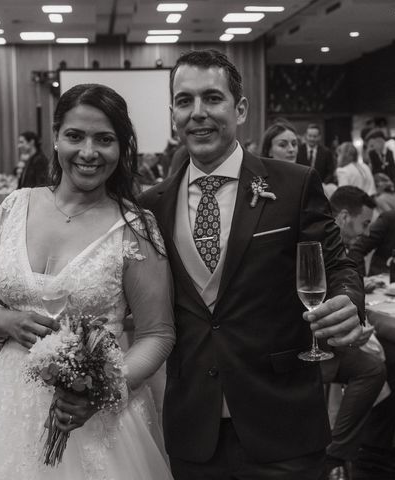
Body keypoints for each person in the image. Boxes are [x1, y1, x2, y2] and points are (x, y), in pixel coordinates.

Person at [140, 49, 364, 480]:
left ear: (240, 108)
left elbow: (338, 266)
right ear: (172, 114)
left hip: (282, 419)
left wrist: (348, 300)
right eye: (184, 101)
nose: (198, 113)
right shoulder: (153, 204)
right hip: (194, 428)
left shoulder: (294, 184)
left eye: (212, 98)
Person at [0, 83, 175, 479]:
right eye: (75, 136)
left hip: (93, 416)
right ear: (56, 138)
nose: (88, 152)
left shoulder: (134, 227)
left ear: (121, 149)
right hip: (5, 407)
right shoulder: (14, 207)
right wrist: (4, 321)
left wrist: (104, 390)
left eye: (104, 140)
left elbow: (157, 333)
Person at [323, 186, 386, 479]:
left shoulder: (337, 241)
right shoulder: (321, 241)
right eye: (365, 223)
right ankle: (335, 454)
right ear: (345, 216)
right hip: (310, 341)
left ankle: (340, 453)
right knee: (373, 367)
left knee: (383, 359)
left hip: (330, 334)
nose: (366, 232)